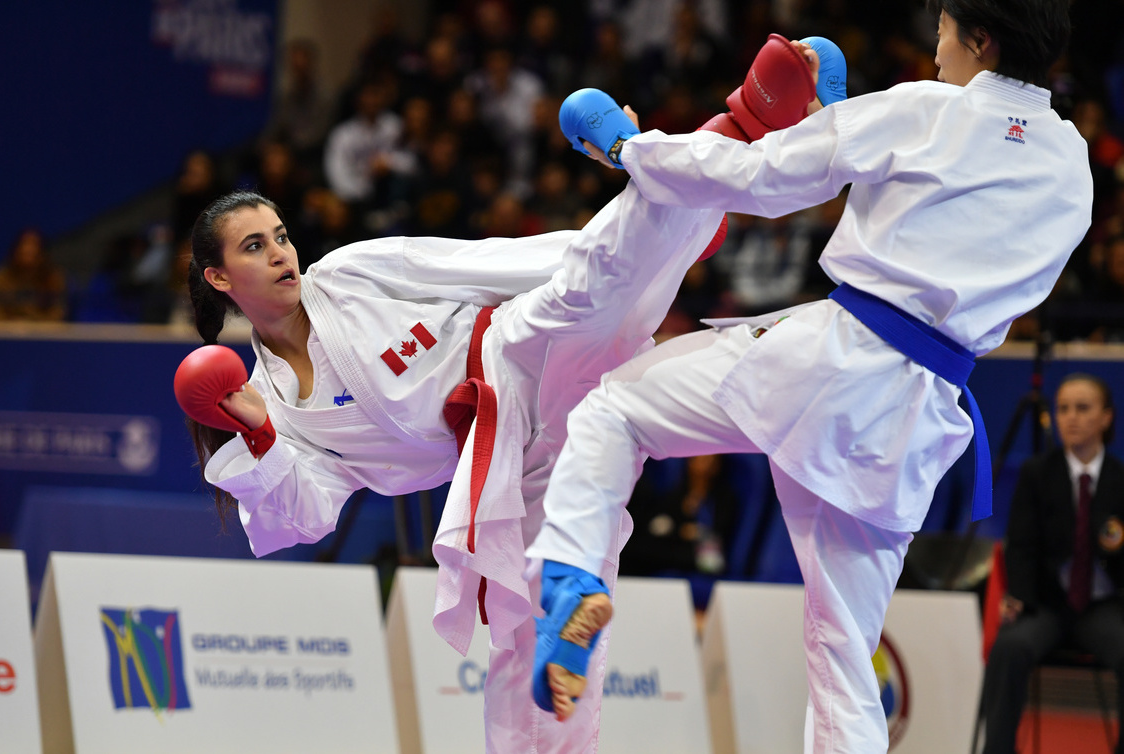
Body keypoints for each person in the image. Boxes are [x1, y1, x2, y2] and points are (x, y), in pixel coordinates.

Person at [175, 35, 835, 754]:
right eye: (254, 248)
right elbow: (304, 518)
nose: (279, 254)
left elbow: (479, 264)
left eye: (279, 236)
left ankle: (740, 123)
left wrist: (638, 243)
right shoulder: (273, 408)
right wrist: (259, 435)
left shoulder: (350, 274)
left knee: (592, 279)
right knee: (529, 630)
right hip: (503, 463)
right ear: (218, 279)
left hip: (515, 349)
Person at [524, 2, 1093, 751]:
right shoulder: (1072, 163)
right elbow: (950, 208)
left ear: (980, 41)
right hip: (916, 416)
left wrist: (633, 148)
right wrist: (837, 116)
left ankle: (570, 581)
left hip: (835, 362)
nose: (936, 50)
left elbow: (761, 179)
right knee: (845, 658)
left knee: (615, 410)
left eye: (945, 34)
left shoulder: (925, 109)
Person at [981, 373, 1124, 754]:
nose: (1070, 417)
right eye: (1062, 409)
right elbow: (1020, 547)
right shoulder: (1036, 474)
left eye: (1082, 408)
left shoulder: (1120, 479)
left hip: (1103, 608)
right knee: (1009, 648)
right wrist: (1021, 599)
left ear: (1106, 417)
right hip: (1046, 605)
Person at [0, 228, 68, 322]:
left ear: (43, 253)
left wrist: (33, 326)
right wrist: (13, 326)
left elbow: (58, 314)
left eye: (34, 245)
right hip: (7, 332)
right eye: (24, 244)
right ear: (15, 250)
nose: (28, 249)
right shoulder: (0, 278)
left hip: (42, 333)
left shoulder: (53, 279)